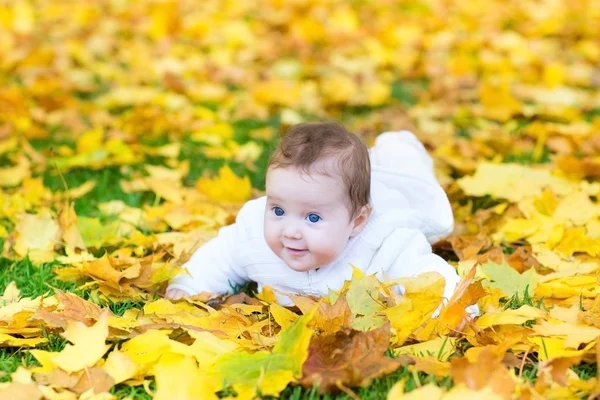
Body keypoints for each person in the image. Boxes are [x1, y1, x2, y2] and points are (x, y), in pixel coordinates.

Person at [166, 122, 462, 308]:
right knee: (339, 180)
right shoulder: (254, 234)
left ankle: (398, 143)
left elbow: (430, 277)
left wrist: (451, 308)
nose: (290, 231)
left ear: (356, 222)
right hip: (341, 194)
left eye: (312, 218)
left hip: (394, 191)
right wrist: (188, 285)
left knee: (403, 163)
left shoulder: (386, 245)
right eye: (279, 210)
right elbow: (220, 256)